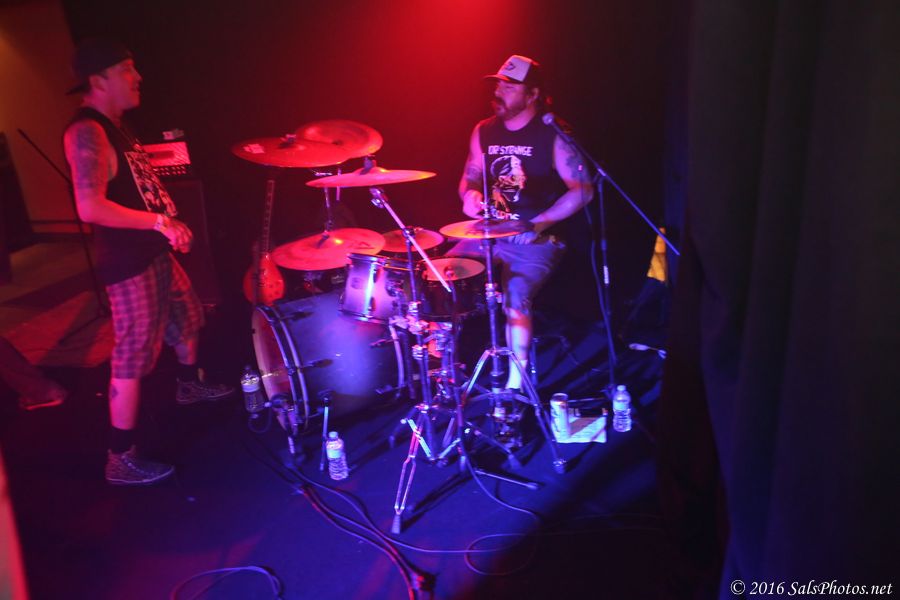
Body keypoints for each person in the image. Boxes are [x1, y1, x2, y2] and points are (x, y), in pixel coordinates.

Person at [62, 38, 232, 486]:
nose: (137, 77)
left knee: (188, 317)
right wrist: (160, 221)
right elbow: (90, 206)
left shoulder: (116, 127)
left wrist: (167, 225)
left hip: (152, 251)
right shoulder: (86, 132)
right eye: (126, 69)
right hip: (129, 263)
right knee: (133, 356)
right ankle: (120, 457)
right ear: (99, 80)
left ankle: (189, 384)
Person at [456, 55, 594, 390]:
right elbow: (469, 178)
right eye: (498, 85)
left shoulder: (552, 133)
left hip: (535, 238)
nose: (498, 92)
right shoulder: (483, 130)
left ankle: (515, 386)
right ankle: (444, 370)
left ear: (533, 94)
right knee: (441, 275)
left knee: (515, 298)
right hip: (489, 232)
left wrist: (539, 223)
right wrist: (469, 196)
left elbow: (583, 190)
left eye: (509, 87)